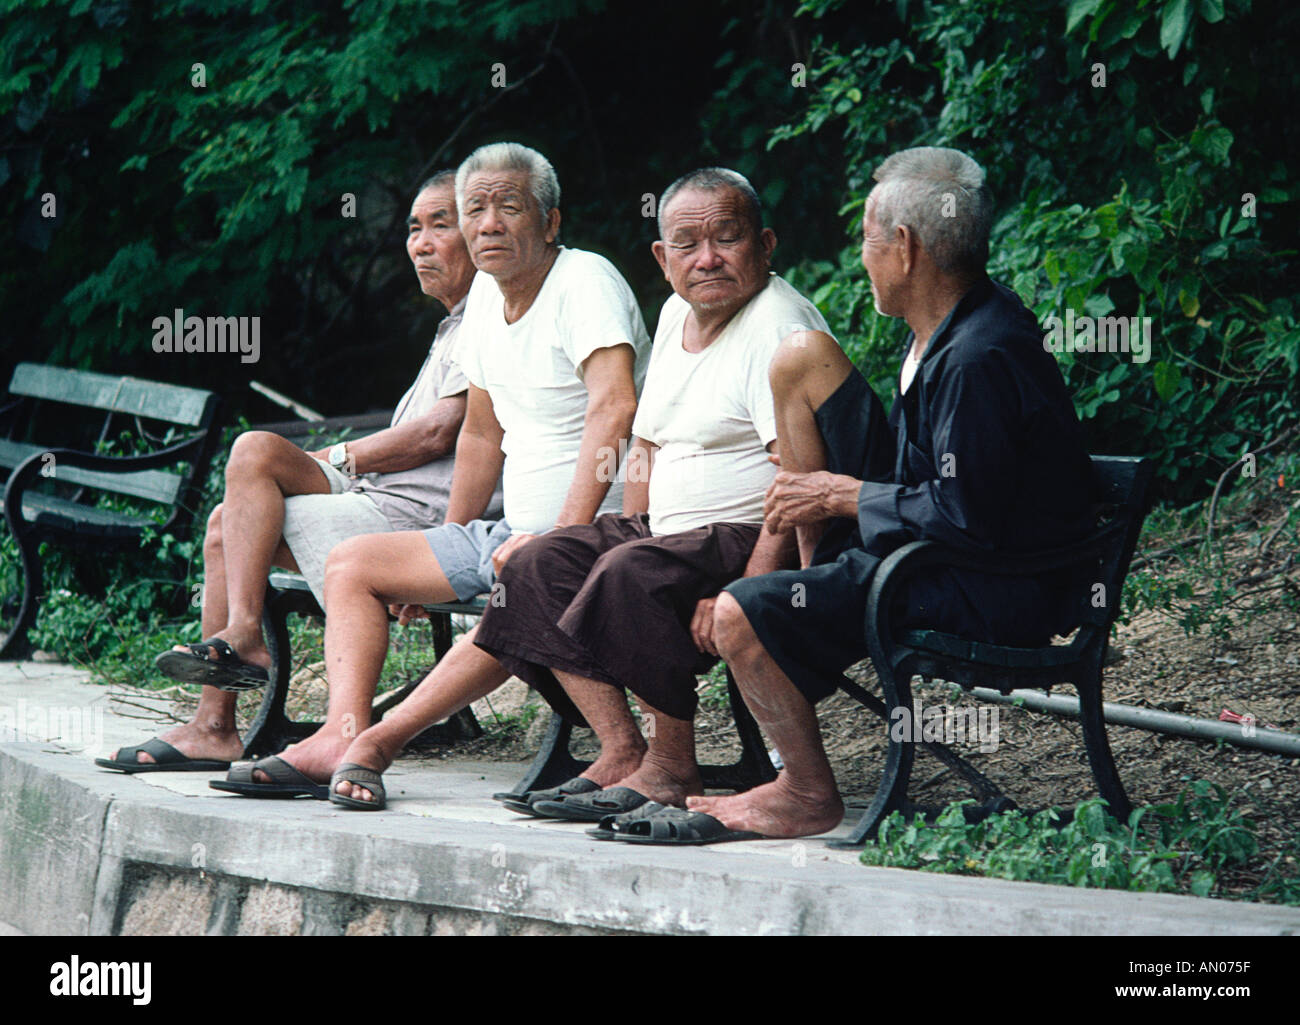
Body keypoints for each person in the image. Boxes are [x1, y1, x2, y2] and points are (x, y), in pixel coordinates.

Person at [326, 168, 838, 814]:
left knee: (629, 569)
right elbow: (645, 445)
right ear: (662, 256)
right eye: (687, 244)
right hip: (672, 534)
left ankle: (673, 764)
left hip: (742, 537)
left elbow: (796, 481)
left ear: (765, 245)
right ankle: (623, 747)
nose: (706, 259)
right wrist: (625, 528)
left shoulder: (775, 325)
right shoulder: (681, 308)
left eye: (726, 240)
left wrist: (745, 587)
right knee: (538, 561)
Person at [659, 146, 1096, 844]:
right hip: (936, 552)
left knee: (741, 612)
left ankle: (803, 791)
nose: (861, 256)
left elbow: (967, 516)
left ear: (905, 248)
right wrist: (840, 499)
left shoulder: (980, 356)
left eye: (866, 239)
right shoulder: (945, 329)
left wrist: (840, 495)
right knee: (797, 359)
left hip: (991, 585)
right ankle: (807, 594)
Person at [212, 141, 651, 799]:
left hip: (598, 529)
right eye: (475, 209)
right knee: (352, 565)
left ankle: (380, 743)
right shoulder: (483, 307)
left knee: (526, 575)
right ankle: (342, 730)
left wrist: (565, 531)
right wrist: (444, 546)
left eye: (509, 206)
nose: (489, 223)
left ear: (551, 222)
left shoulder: (584, 282)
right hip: (510, 532)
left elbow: (615, 405)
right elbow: (480, 432)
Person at [97, 170, 496, 773]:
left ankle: (231, 686)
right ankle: (227, 684)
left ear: (476, 232)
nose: (421, 243)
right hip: (376, 496)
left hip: (414, 518)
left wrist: (338, 456)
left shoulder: (492, 316)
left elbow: (442, 432)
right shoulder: (451, 327)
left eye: (441, 225)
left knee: (238, 493)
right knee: (242, 481)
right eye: (414, 228)